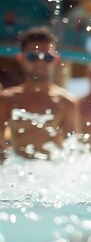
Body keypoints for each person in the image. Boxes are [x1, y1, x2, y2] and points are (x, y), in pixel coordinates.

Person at [0, 26, 79, 161]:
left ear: (56, 59)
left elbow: (74, 153)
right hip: (16, 173)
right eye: (32, 57)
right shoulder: (6, 100)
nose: (40, 62)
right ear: (21, 58)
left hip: (51, 174)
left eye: (47, 57)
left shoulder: (66, 103)